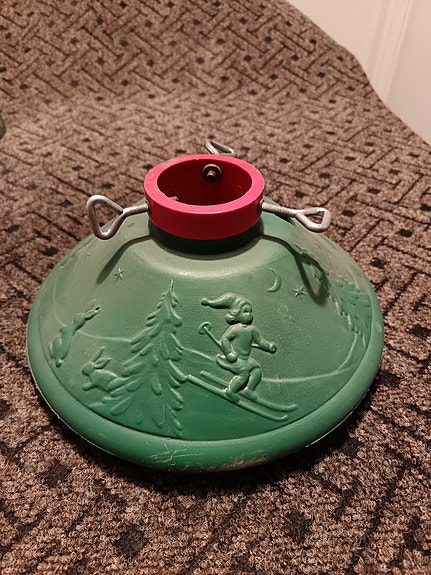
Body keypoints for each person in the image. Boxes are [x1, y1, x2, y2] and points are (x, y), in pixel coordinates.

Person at [201, 294, 277, 400]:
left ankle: (248, 390)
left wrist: (268, 346)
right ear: (236, 314)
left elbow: (260, 341)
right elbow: (225, 339)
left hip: (245, 359)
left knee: (257, 370)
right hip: (236, 359)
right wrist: (228, 353)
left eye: (250, 311)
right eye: (245, 311)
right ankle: (231, 391)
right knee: (244, 375)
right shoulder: (235, 329)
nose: (249, 314)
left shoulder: (253, 329)